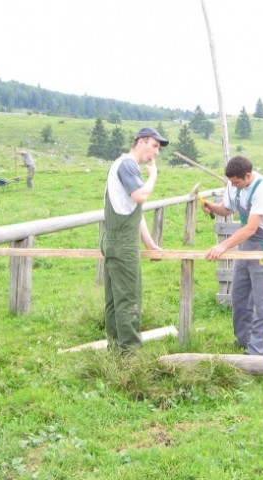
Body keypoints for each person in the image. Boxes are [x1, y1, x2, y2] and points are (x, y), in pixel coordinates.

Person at [201, 155, 263, 355]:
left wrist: (222, 246)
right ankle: (243, 340)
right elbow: (227, 209)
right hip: (244, 241)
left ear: (248, 175)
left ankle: (257, 349)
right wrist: (213, 207)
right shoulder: (233, 184)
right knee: (239, 295)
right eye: (231, 183)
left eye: (237, 183)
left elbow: (252, 228)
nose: (233, 187)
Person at [100, 127, 168, 354]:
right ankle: (130, 357)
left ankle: (114, 351)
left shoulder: (124, 166)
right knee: (129, 300)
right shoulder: (127, 165)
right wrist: (154, 177)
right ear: (140, 142)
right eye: (154, 146)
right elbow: (140, 196)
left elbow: (134, 211)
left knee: (114, 301)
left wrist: (149, 242)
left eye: (158, 148)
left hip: (114, 240)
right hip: (123, 244)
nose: (156, 152)